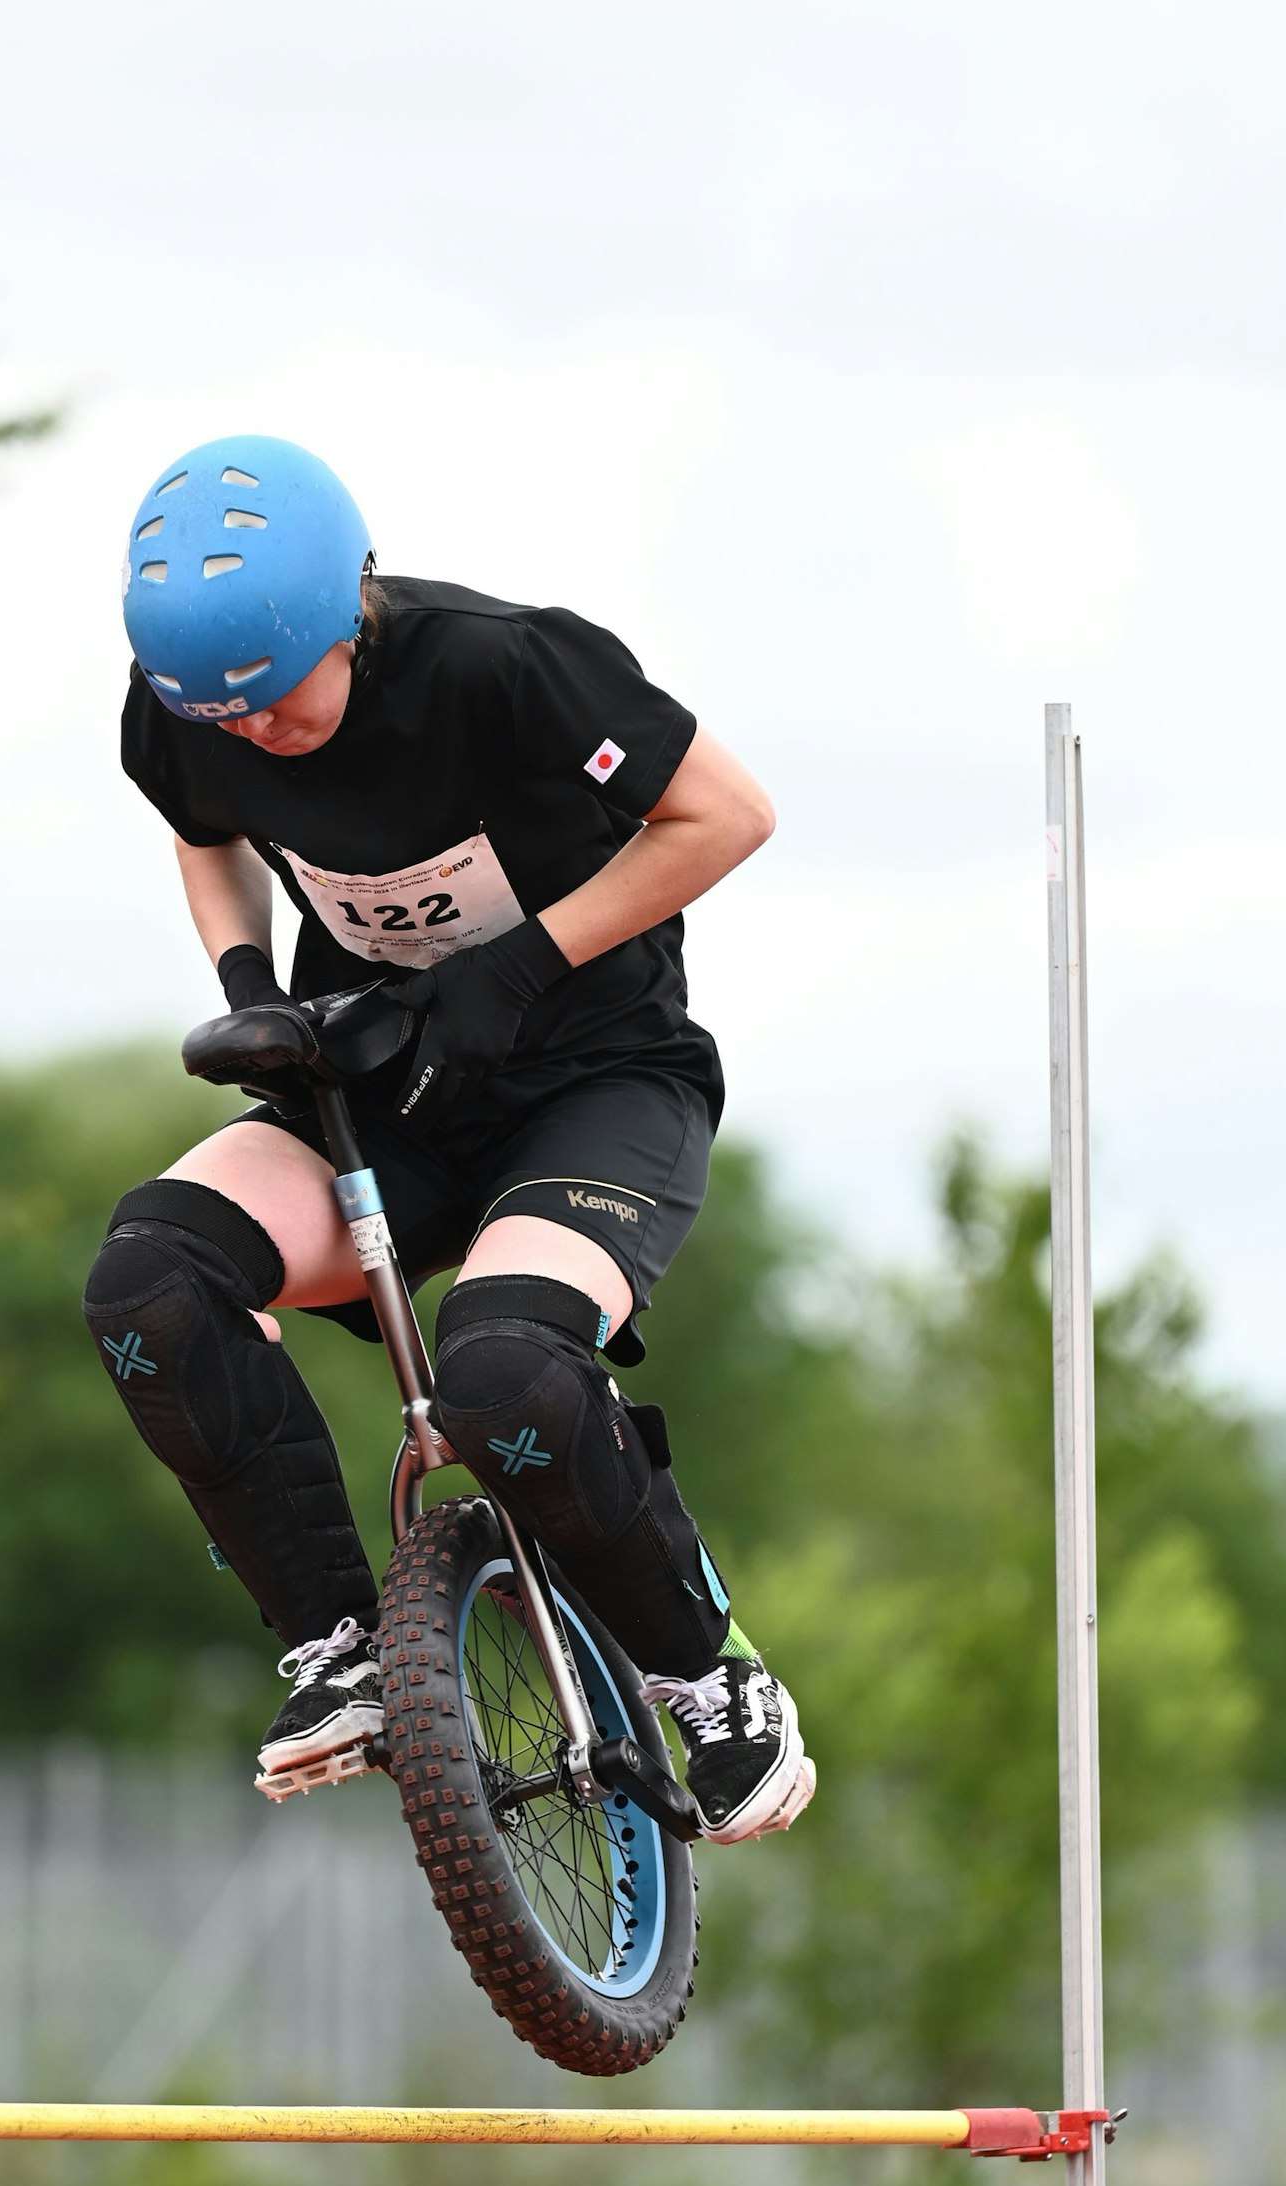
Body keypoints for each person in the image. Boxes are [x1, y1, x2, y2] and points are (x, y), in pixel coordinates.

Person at [87, 434, 814, 1847]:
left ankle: (711, 1679)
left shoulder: (507, 665)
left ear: (343, 616)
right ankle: (339, 1651)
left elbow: (729, 815)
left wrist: (524, 964)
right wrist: (249, 985)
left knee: (504, 1373)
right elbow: (202, 829)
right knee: (150, 1285)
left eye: (274, 702)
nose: (252, 735)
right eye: (220, 718)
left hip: (597, 1082)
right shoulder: (193, 716)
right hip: (388, 1087)